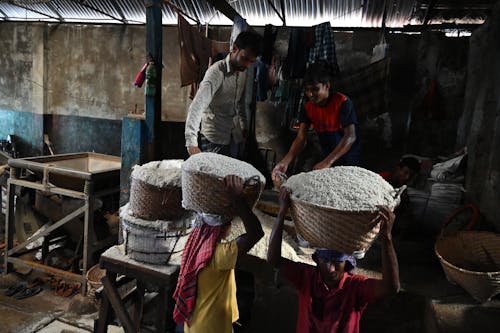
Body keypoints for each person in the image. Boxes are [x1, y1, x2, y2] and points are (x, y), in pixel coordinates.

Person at [267, 188, 400, 333]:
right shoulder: (307, 277)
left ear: (348, 263)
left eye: (338, 262)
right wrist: (281, 213)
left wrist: (386, 238)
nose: (331, 269)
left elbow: (391, 287)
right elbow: (274, 260)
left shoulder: (355, 287)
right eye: (325, 261)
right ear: (317, 260)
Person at [173, 175, 264, 333]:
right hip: (212, 327)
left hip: (194, 325)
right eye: (229, 223)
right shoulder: (220, 256)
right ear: (222, 228)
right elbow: (255, 233)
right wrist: (238, 200)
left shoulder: (195, 245)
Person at [272, 61, 360, 182]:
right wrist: (285, 161)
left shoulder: (342, 102)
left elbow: (350, 136)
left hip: (348, 160)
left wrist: (327, 162)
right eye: (307, 90)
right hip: (328, 158)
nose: (311, 94)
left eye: (315, 89)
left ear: (327, 86)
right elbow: (301, 138)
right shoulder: (308, 107)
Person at [184, 31, 262, 157]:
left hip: (234, 136)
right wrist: (191, 143)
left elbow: (240, 102)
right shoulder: (216, 73)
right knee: (215, 176)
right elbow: (198, 105)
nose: (247, 65)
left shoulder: (243, 71)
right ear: (235, 49)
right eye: (245, 59)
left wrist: (244, 125)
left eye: (251, 62)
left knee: (233, 175)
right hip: (214, 139)